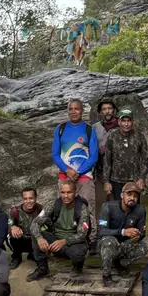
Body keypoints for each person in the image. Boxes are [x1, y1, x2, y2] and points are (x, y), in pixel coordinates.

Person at [52, 98, 99, 245]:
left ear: (82, 110)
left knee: (88, 208)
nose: (73, 111)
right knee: (64, 208)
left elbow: (94, 157)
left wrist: (78, 171)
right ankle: (64, 238)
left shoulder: (89, 130)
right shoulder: (60, 129)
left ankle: (91, 240)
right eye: (70, 109)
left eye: (76, 108)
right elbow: (55, 154)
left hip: (84, 177)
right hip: (65, 177)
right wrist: (67, 170)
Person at [27, 181, 90, 281]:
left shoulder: (82, 209)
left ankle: (77, 267)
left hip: (73, 243)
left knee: (77, 253)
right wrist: (40, 239)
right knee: (36, 235)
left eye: (69, 192)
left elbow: (82, 235)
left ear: (75, 193)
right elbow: (35, 223)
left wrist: (64, 241)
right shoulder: (53, 204)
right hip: (55, 241)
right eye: (63, 192)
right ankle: (42, 269)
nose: (65, 196)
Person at [98, 182, 148, 287]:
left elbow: (142, 232)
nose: (132, 198)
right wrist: (123, 232)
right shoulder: (107, 207)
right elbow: (101, 231)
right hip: (109, 242)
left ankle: (120, 263)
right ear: (122, 195)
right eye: (129, 194)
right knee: (108, 241)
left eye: (135, 196)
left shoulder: (140, 211)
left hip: (126, 243)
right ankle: (106, 275)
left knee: (145, 245)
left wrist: (138, 235)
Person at [103, 109, 148, 201]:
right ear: (119, 122)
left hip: (134, 180)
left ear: (133, 122)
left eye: (129, 121)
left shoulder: (139, 136)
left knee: (133, 205)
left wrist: (142, 178)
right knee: (117, 206)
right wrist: (106, 181)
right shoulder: (112, 136)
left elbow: (145, 159)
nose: (126, 124)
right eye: (123, 121)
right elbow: (107, 160)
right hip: (116, 180)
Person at [93, 97, 118, 210]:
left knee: (117, 204)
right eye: (104, 109)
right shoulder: (95, 127)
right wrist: (98, 150)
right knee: (101, 205)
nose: (107, 111)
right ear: (100, 112)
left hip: (118, 173)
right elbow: (91, 147)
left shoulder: (122, 124)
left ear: (114, 110)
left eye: (110, 108)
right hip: (100, 172)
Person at [9, 187, 42, 270]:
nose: (28, 201)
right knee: (10, 235)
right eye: (25, 199)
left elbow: (48, 225)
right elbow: (9, 223)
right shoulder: (15, 211)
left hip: (35, 240)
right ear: (22, 199)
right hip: (21, 239)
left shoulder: (41, 210)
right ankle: (16, 256)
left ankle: (34, 254)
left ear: (36, 198)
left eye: (31, 198)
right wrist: (13, 227)